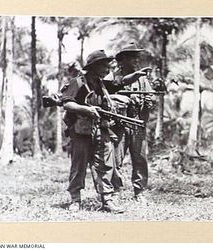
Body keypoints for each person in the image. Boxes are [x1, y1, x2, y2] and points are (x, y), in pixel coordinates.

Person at [61, 50, 124, 213]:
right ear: (94, 67)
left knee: (105, 164)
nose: (107, 68)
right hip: (81, 131)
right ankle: (75, 200)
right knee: (79, 166)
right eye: (104, 65)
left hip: (100, 130)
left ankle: (107, 200)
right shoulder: (78, 82)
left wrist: (137, 74)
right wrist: (86, 110)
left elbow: (121, 83)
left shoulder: (102, 85)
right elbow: (67, 104)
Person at [104, 42, 155, 202]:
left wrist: (149, 100)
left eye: (137, 57)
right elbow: (105, 96)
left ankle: (140, 192)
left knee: (140, 159)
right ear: (123, 59)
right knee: (116, 160)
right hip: (119, 125)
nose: (136, 61)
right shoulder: (112, 77)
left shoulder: (142, 79)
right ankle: (116, 191)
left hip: (138, 123)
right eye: (133, 57)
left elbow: (150, 97)